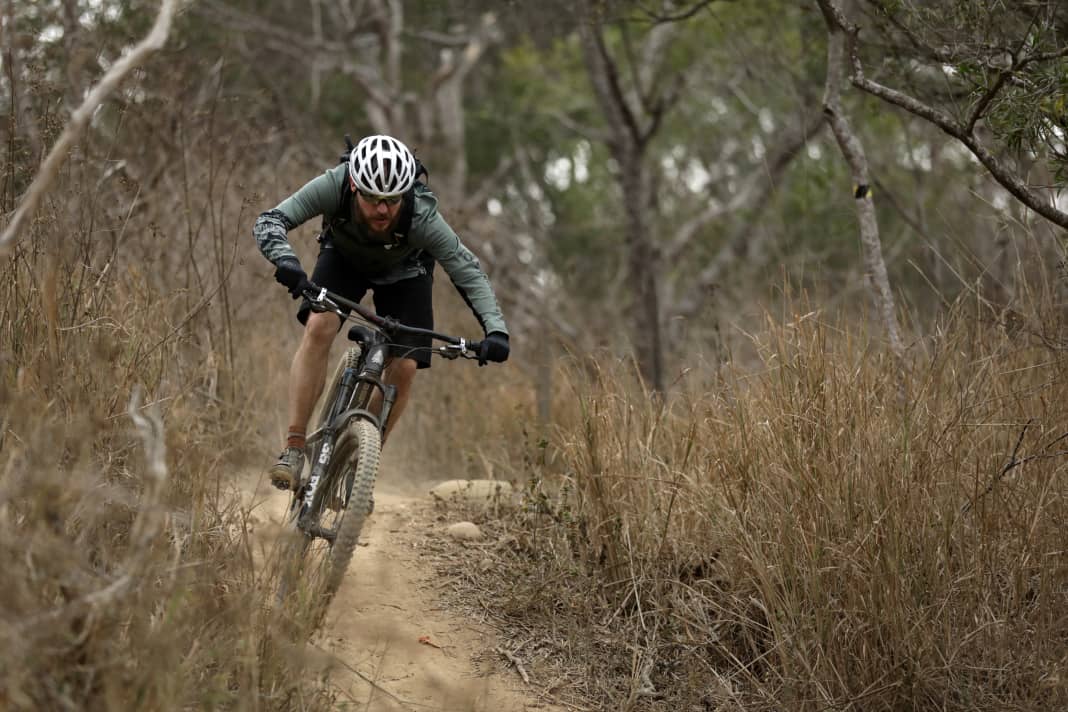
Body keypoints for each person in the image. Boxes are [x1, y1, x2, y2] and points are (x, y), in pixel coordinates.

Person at [253, 134, 510, 490]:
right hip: (343, 259)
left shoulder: (422, 215)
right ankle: (294, 448)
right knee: (320, 325)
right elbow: (271, 220)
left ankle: (361, 465)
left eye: (392, 200)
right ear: (354, 186)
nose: (383, 211)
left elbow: (467, 270)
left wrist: (496, 331)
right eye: (373, 199)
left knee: (405, 366)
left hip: (407, 273)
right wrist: (286, 261)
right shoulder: (334, 185)